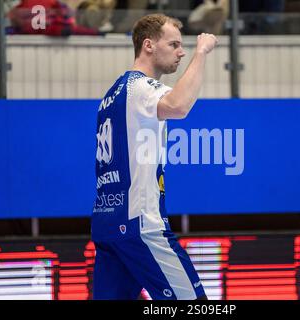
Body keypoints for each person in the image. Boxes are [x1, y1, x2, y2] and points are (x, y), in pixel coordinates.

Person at [91, 13, 217, 300]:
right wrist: (202, 52)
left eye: (183, 46)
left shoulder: (112, 93)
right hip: (140, 224)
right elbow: (178, 106)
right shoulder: (139, 87)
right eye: (174, 44)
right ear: (148, 45)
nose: (181, 52)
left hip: (107, 223)